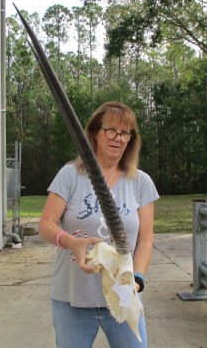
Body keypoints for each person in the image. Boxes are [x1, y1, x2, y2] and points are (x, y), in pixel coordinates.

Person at [39, 101, 159, 348]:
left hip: (124, 296)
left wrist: (136, 278)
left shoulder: (141, 182)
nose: (118, 138)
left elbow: (146, 240)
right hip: (73, 298)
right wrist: (71, 241)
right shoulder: (70, 175)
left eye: (125, 133)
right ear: (95, 132)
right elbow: (46, 225)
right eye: (111, 130)